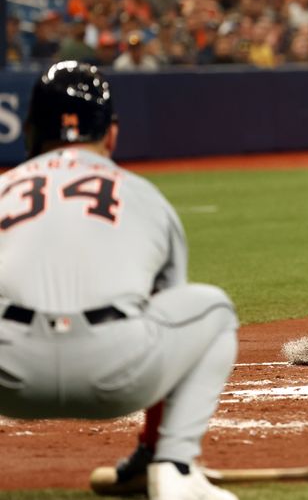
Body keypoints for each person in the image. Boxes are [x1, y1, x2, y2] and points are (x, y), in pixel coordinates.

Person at [0, 61, 238, 500]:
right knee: (214, 309)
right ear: (110, 133)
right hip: (116, 374)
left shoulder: (5, 188)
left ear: (29, 130)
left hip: (11, 378)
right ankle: (173, 465)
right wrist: (150, 450)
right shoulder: (143, 194)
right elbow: (168, 305)